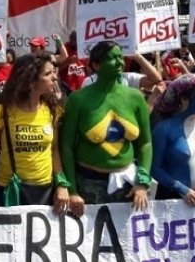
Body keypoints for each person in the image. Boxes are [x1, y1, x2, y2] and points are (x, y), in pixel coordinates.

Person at [60, 41, 152, 216]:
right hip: (88, 184)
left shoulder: (135, 97)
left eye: (120, 57)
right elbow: (66, 147)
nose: (119, 62)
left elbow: (145, 143)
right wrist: (72, 190)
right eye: (112, 58)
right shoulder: (78, 99)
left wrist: (142, 182)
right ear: (96, 64)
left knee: (125, 240)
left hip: (128, 186)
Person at [0, 52, 69, 212]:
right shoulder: (2, 111)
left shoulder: (53, 110)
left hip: (45, 191)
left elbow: (54, 151)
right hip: (9, 191)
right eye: (48, 74)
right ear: (31, 81)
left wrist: (61, 184)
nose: (54, 78)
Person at [151, 74, 195, 202]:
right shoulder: (164, 129)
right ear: (183, 99)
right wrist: (182, 189)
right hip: (173, 202)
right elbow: (153, 168)